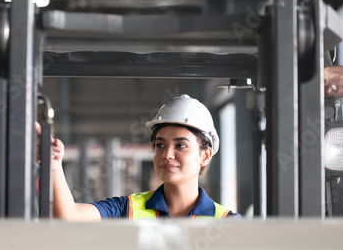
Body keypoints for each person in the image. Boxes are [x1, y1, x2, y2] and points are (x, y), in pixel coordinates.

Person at [49, 94, 239, 221]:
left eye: (180, 145)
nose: (167, 154)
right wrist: (54, 164)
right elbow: (68, 216)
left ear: (204, 156)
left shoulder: (227, 223)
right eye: (160, 145)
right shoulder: (127, 208)